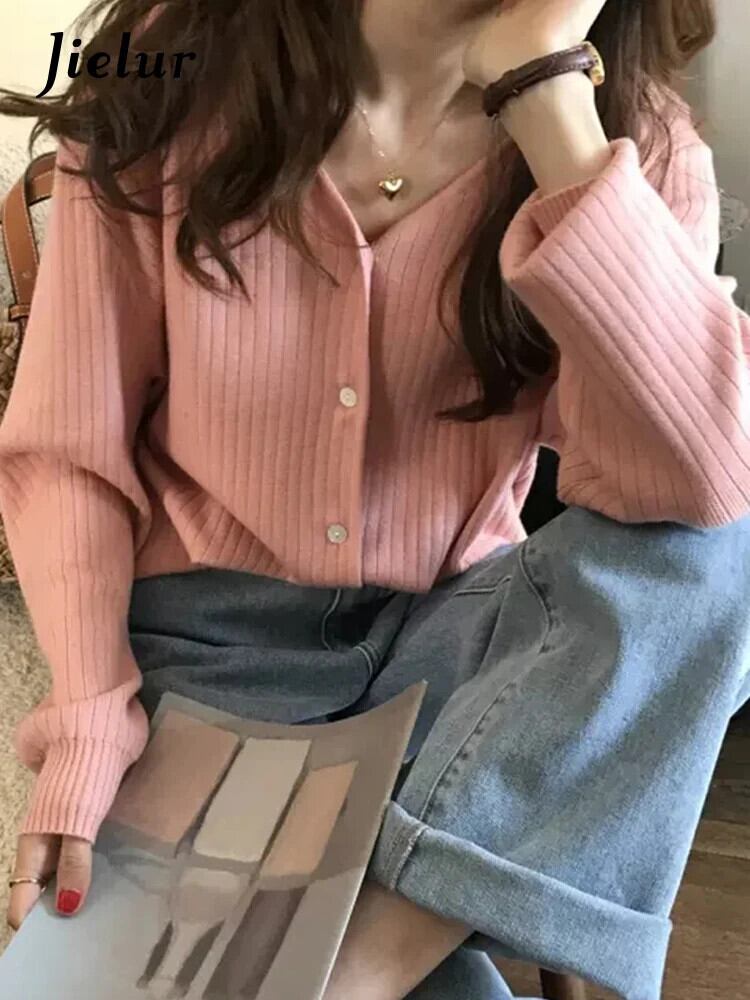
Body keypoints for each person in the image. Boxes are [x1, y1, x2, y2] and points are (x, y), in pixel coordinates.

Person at [1, 1, 749, 997]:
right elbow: (68, 454)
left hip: (460, 646)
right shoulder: (169, 62)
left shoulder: (634, 142)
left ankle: (372, 958)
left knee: (723, 532)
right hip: (213, 649)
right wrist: (88, 716)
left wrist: (545, 96)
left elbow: (702, 484)